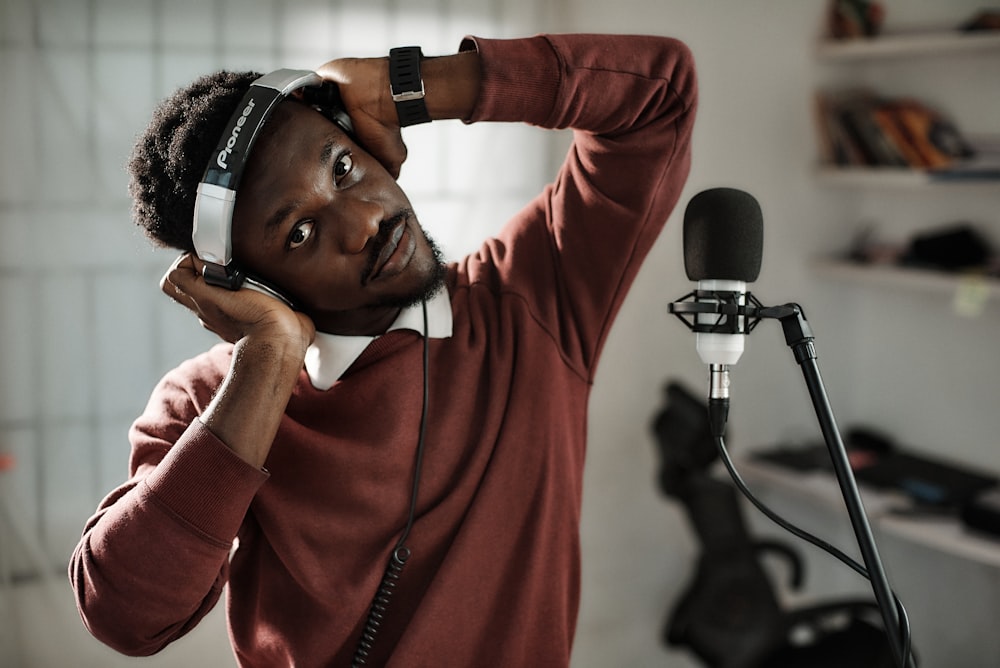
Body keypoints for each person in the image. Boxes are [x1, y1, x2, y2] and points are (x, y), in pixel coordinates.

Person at [70, 32, 697, 667]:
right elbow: (124, 615)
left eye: (341, 167)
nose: (365, 221)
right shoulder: (210, 401)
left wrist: (413, 85)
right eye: (301, 232)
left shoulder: (531, 299)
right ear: (249, 284)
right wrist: (269, 357)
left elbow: (660, 96)